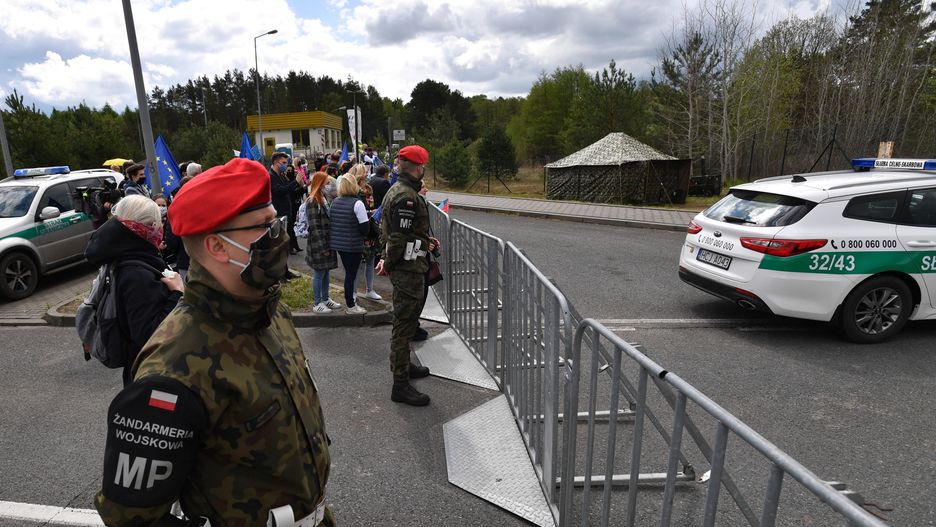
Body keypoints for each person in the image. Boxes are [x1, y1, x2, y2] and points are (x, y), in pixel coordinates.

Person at [94, 158, 334, 527]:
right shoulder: (174, 366)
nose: (281, 236)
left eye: (279, 223)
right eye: (266, 227)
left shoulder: (269, 311)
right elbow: (130, 518)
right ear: (217, 247)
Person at [83, 195, 184, 386]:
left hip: (143, 371)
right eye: (156, 223)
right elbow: (148, 334)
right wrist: (177, 295)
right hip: (151, 376)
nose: (160, 228)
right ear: (144, 228)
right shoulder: (136, 274)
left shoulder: (127, 257)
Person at [375, 145, 439, 406]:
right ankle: (400, 385)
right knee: (403, 327)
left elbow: (401, 233)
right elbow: (399, 239)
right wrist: (388, 263)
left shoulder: (401, 190)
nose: (424, 170)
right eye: (423, 166)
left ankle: (405, 366)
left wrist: (426, 241)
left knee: (408, 323)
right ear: (418, 167)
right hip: (408, 270)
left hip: (409, 267)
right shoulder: (406, 196)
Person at [329, 174, 370, 315]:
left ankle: (351, 301)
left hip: (340, 244)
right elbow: (365, 228)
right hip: (353, 244)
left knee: (349, 274)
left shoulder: (335, 202)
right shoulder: (357, 203)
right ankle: (351, 305)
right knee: (351, 275)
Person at [304, 171, 341, 313]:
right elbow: (315, 227)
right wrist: (323, 247)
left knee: (326, 272)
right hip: (319, 243)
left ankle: (325, 298)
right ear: (320, 183)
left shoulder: (323, 198)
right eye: (326, 182)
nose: (328, 185)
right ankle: (317, 303)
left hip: (327, 240)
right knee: (319, 273)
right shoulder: (313, 200)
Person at [350, 164, 381, 301]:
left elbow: (371, 205)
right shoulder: (353, 189)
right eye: (364, 172)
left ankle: (370, 289)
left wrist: (373, 213)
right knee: (357, 264)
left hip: (370, 229)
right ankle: (353, 292)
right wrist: (369, 212)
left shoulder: (369, 188)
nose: (367, 174)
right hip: (358, 231)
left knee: (370, 260)